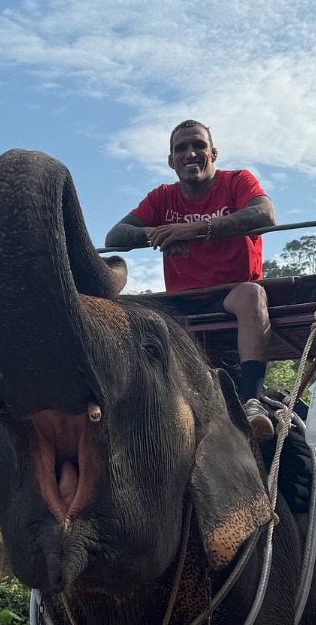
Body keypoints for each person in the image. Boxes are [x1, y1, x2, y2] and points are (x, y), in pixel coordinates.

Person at [105, 119, 277, 441]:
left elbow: (265, 214)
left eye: (199, 145)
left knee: (252, 295)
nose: (191, 153)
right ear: (171, 160)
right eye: (181, 148)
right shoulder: (163, 197)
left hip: (229, 293)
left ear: (214, 153)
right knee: (126, 314)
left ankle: (252, 399)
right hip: (180, 301)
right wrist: (158, 234)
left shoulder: (237, 181)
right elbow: (115, 236)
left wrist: (196, 230)